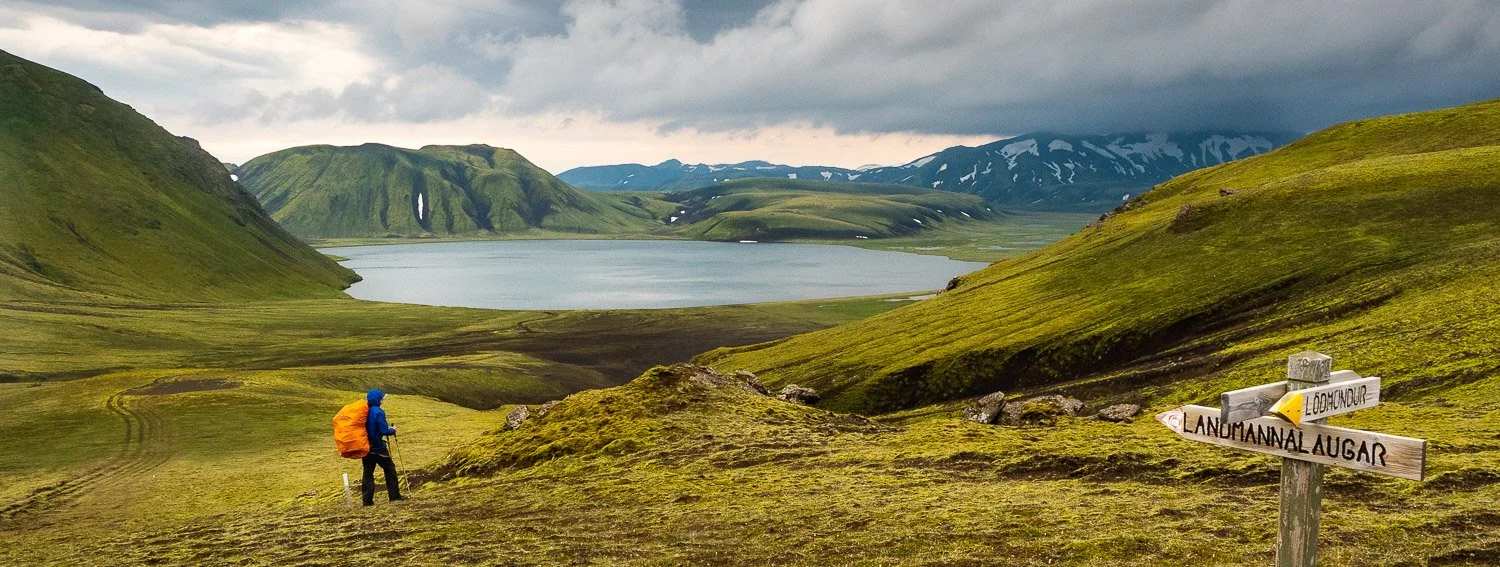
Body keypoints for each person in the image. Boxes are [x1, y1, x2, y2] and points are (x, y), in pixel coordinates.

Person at [362, 388, 403, 506]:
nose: (382, 400)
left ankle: (367, 500)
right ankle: (394, 496)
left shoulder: (365, 411)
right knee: (390, 469)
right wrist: (392, 430)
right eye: (381, 398)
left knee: (368, 473)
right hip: (378, 448)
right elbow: (384, 430)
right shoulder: (378, 412)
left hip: (366, 447)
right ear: (377, 399)